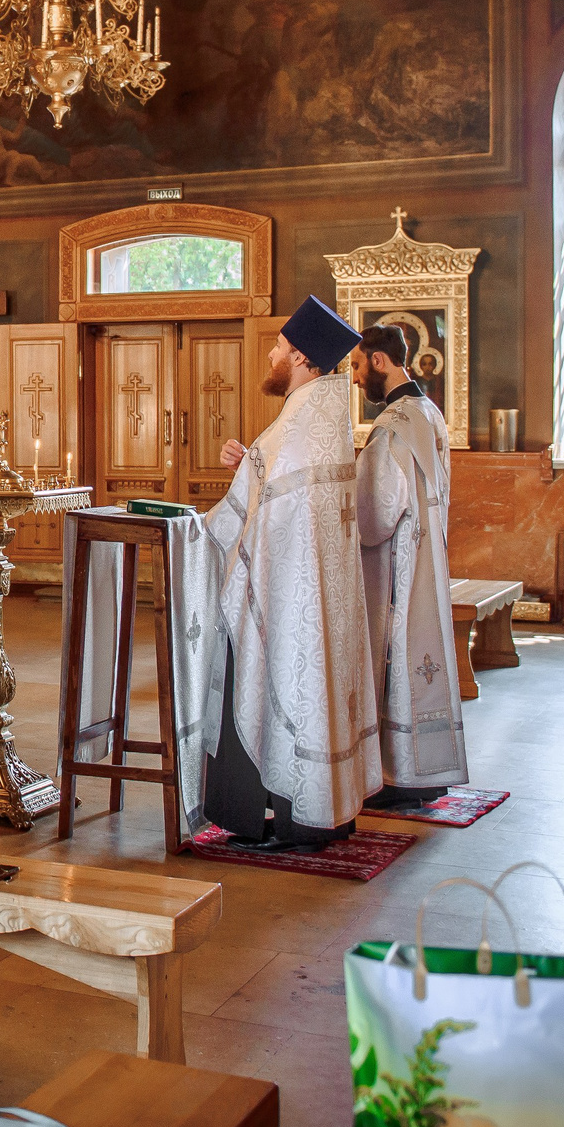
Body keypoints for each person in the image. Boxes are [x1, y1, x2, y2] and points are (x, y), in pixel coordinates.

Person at [193, 295, 378, 847]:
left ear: (299, 357)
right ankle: (329, 808)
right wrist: (250, 459)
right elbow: (275, 481)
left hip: (288, 594)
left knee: (283, 679)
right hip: (318, 590)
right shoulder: (320, 414)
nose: (271, 356)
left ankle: (283, 813)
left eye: (277, 347)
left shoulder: (302, 419)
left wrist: (198, 533)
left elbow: (266, 513)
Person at [349, 324, 467, 807]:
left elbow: (374, 517)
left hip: (397, 567)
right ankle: (427, 769)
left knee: (395, 657)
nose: (355, 379)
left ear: (379, 361)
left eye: (357, 366)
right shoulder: (429, 413)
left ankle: (397, 775)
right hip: (427, 559)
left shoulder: (391, 427)